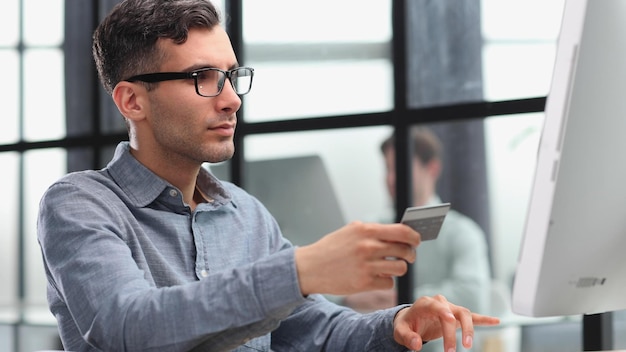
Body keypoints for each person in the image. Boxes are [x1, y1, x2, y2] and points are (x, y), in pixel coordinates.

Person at [36, 1, 499, 351]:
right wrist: (300, 271)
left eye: (232, 75)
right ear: (132, 101)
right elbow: (127, 325)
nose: (232, 99)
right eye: (203, 77)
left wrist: (394, 324)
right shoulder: (79, 204)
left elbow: (312, 328)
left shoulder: (245, 213)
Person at [343, 127, 491, 315]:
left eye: (400, 169)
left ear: (432, 168)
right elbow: (322, 288)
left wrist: (400, 299)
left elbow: (474, 299)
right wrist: (347, 298)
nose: (391, 178)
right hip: (371, 341)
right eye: (387, 169)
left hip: (437, 344)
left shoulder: (462, 232)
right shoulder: (367, 227)